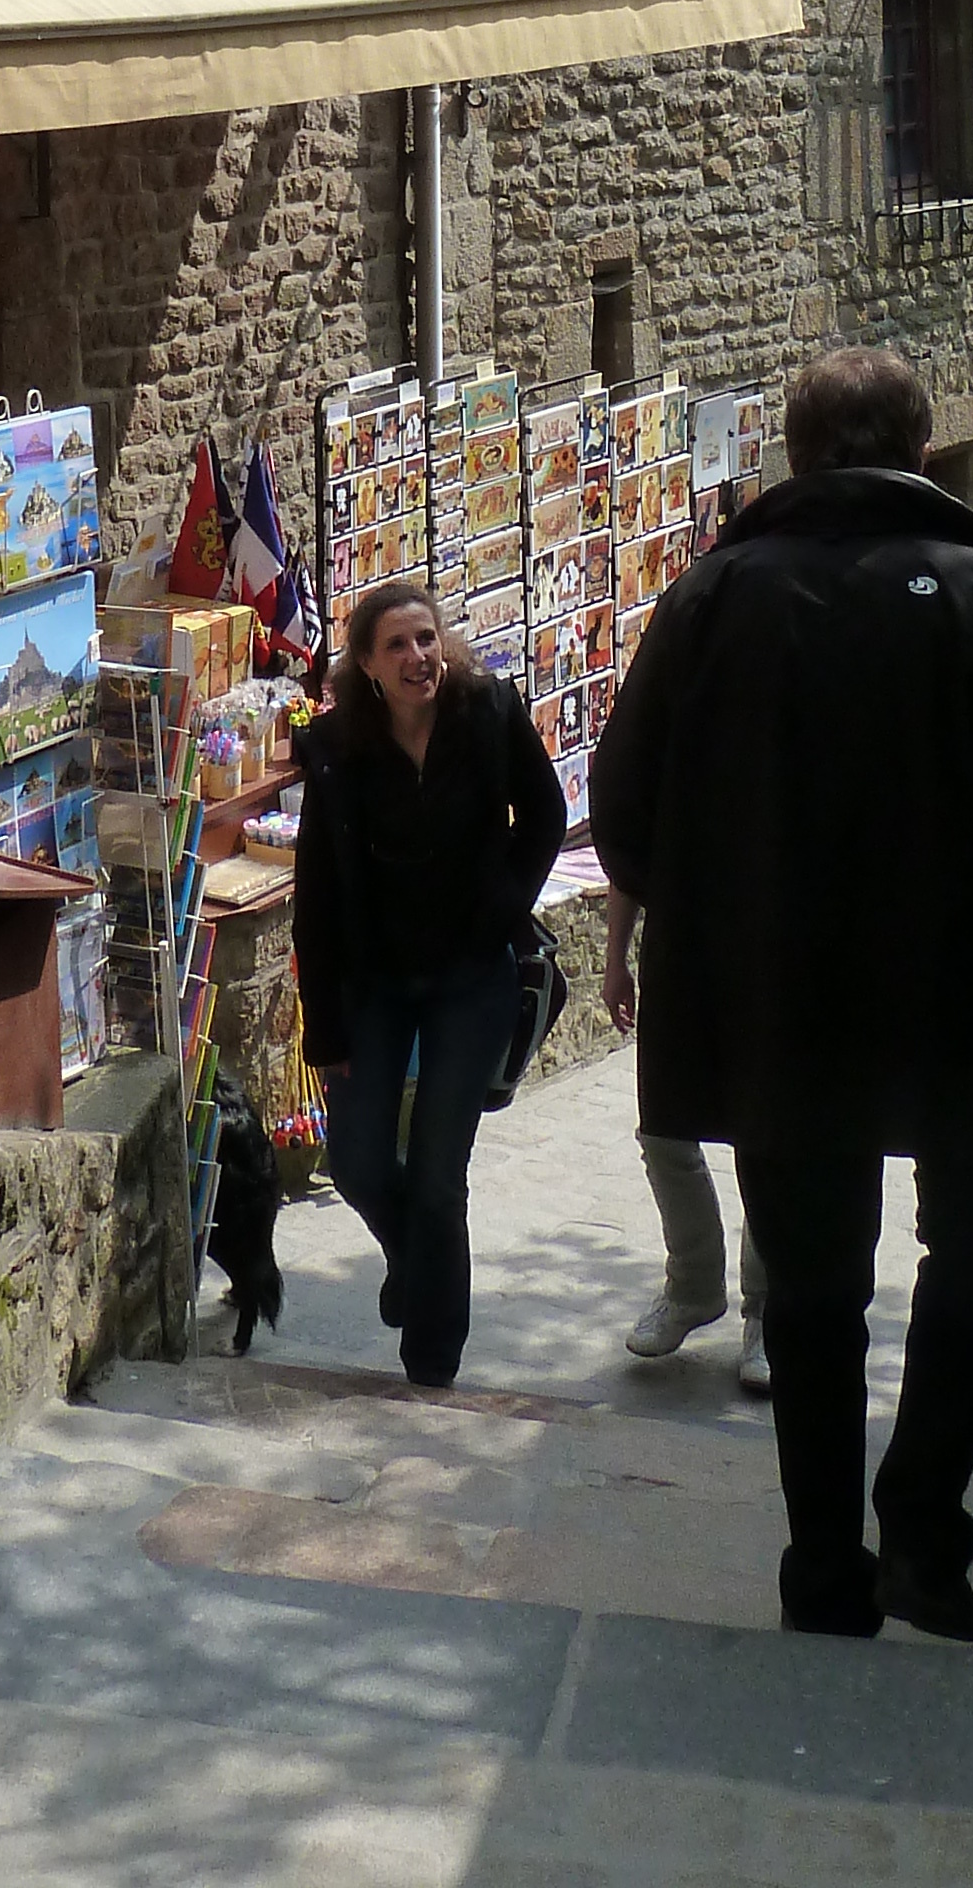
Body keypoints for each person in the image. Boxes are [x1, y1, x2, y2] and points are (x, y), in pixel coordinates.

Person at [591, 346, 973, 1647]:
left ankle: (823, 1566)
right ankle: (924, 1534)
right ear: (923, 448)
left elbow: (623, 813)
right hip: (963, 1001)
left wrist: (724, 930)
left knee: (818, 1288)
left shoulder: (710, 597)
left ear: (792, 452)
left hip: (777, 1010)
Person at [292, 579, 567, 1391]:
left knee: (441, 1173)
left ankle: (432, 1367)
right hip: (375, 980)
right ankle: (411, 1262)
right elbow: (316, 896)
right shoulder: (338, 749)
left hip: (469, 976)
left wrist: (502, 907)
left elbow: (545, 816)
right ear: (367, 667)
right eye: (397, 646)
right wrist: (324, 1027)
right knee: (358, 1164)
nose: (419, 658)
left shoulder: (487, 712)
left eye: (426, 639)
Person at [601, 888, 771, 1392]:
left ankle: (765, 1312)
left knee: (765, 1135)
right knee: (662, 1127)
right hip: (679, 946)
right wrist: (615, 959)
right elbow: (626, 846)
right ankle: (692, 1286)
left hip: (776, 944)